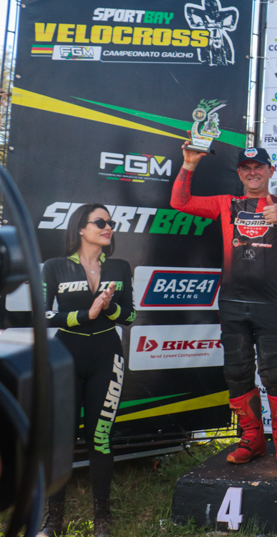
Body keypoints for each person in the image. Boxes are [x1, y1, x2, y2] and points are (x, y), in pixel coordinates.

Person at [171, 145, 277, 467]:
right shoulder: (227, 203)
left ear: (270, 171)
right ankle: (252, 437)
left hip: (269, 304)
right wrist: (189, 164)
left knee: (274, 371)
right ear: (239, 173)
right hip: (233, 303)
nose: (253, 172)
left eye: (259, 167)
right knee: (236, 371)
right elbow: (180, 202)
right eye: (246, 168)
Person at [39, 204, 135, 537]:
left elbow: (130, 316)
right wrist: (86, 315)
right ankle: (53, 520)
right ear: (81, 228)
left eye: (111, 222)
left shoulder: (120, 267)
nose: (108, 227)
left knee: (100, 438)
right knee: (61, 440)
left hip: (108, 357)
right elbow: (41, 314)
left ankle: (102, 518)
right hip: (65, 358)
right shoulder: (55, 266)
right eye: (100, 222)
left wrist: (110, 307)